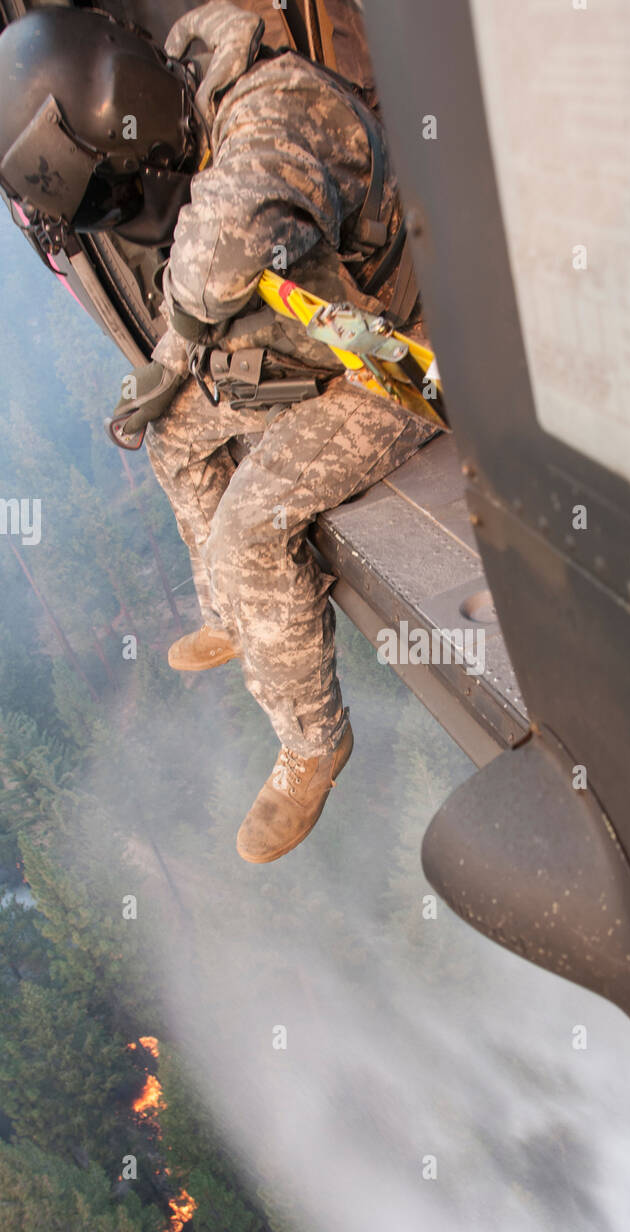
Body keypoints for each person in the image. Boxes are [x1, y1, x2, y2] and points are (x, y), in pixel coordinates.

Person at [0, 1, 437, 862]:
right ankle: (232, 614)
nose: (126, 209)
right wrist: (171, 375)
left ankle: (313, 743)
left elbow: (223, 241)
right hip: (319, 346)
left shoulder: (275, 111)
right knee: (172, 440)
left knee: (249, 530)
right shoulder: (192, 108)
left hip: (395, 364)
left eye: (118, 190)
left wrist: (173, 352)